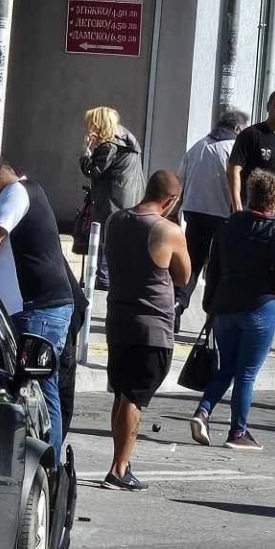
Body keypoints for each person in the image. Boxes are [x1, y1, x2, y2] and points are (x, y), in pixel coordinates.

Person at [0, 155, 82, 463]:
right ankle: (43, 465)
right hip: (39, 308)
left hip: (39, 309)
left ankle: (46, 467)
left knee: (39, 388)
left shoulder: (15, 193)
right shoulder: (29, 191)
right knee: (41, 389)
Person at [192, 169, 275, 451]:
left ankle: (203, 411)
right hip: (259, 306)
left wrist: (209, 303)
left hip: (225, 306)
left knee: (227, 367)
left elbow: (214, 268)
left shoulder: (228, 225)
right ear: (274, 201)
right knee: (247, 372)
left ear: (250, 196)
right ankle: (238, 431)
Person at [101, 170, 189, 491]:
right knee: (134, 399)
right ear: (171, 200)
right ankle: (119, 467)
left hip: (118, 320)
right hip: (151, 327)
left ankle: (120, 460)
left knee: (123, 394)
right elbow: (183, 275)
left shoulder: (115, 222)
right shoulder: (167, 230)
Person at [176, 106, 249, 324]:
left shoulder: (198, 146)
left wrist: (176, 210)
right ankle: (213, 316)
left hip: (195, 212)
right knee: (218, 268)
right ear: (237, 127)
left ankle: (178, 305)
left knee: (191, 264)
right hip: (223, 215)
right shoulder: (234, 149)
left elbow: (180, 181)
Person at [81, 106, 146, 288]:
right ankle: (111, 277)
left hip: (112, 198)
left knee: (104, 237)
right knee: (117, 237)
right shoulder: (127, 139)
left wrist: (85, 151)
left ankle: (103, 278)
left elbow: (93, 171)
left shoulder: (109, 146)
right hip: (130, 195)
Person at [228, 89, 275, 227]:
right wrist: (237, 208)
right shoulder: (250, 135)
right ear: (268, 107)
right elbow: (233, 170)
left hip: (273, 216)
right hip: (248, 213)